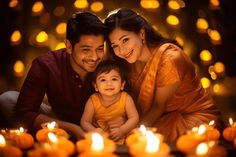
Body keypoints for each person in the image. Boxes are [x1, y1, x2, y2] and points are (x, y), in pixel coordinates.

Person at [104, 8, 224, 144]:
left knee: (133, 140)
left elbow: (157, 107)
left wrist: (130, 130)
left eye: (125, 40)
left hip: (194, 121)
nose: (122, 50)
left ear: (141, 34)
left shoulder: (170, 59)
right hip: (161, 119)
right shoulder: (129, 63)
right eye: (115, 46)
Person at [0, 11, 107, 139]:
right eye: (86, 49)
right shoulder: (46, 64)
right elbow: (24, 112)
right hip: (58, 119)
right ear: (69, 46)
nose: (95, 57)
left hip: (97, 123)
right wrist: (74, 128)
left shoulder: (108, 65)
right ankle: (66, 133)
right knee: (7, 99)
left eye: (100, 48)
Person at [80, 60, 139, 144]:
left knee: (136, 136)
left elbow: (134, 118)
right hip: (100, 137)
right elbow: (84, 122)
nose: (109, 83)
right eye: (103, 80)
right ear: (96, 86)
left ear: (122, 84)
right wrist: (94, 131)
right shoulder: (93, 101)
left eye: (114, 79)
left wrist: (122, 130)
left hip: (122, 133)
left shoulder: (125, 98)